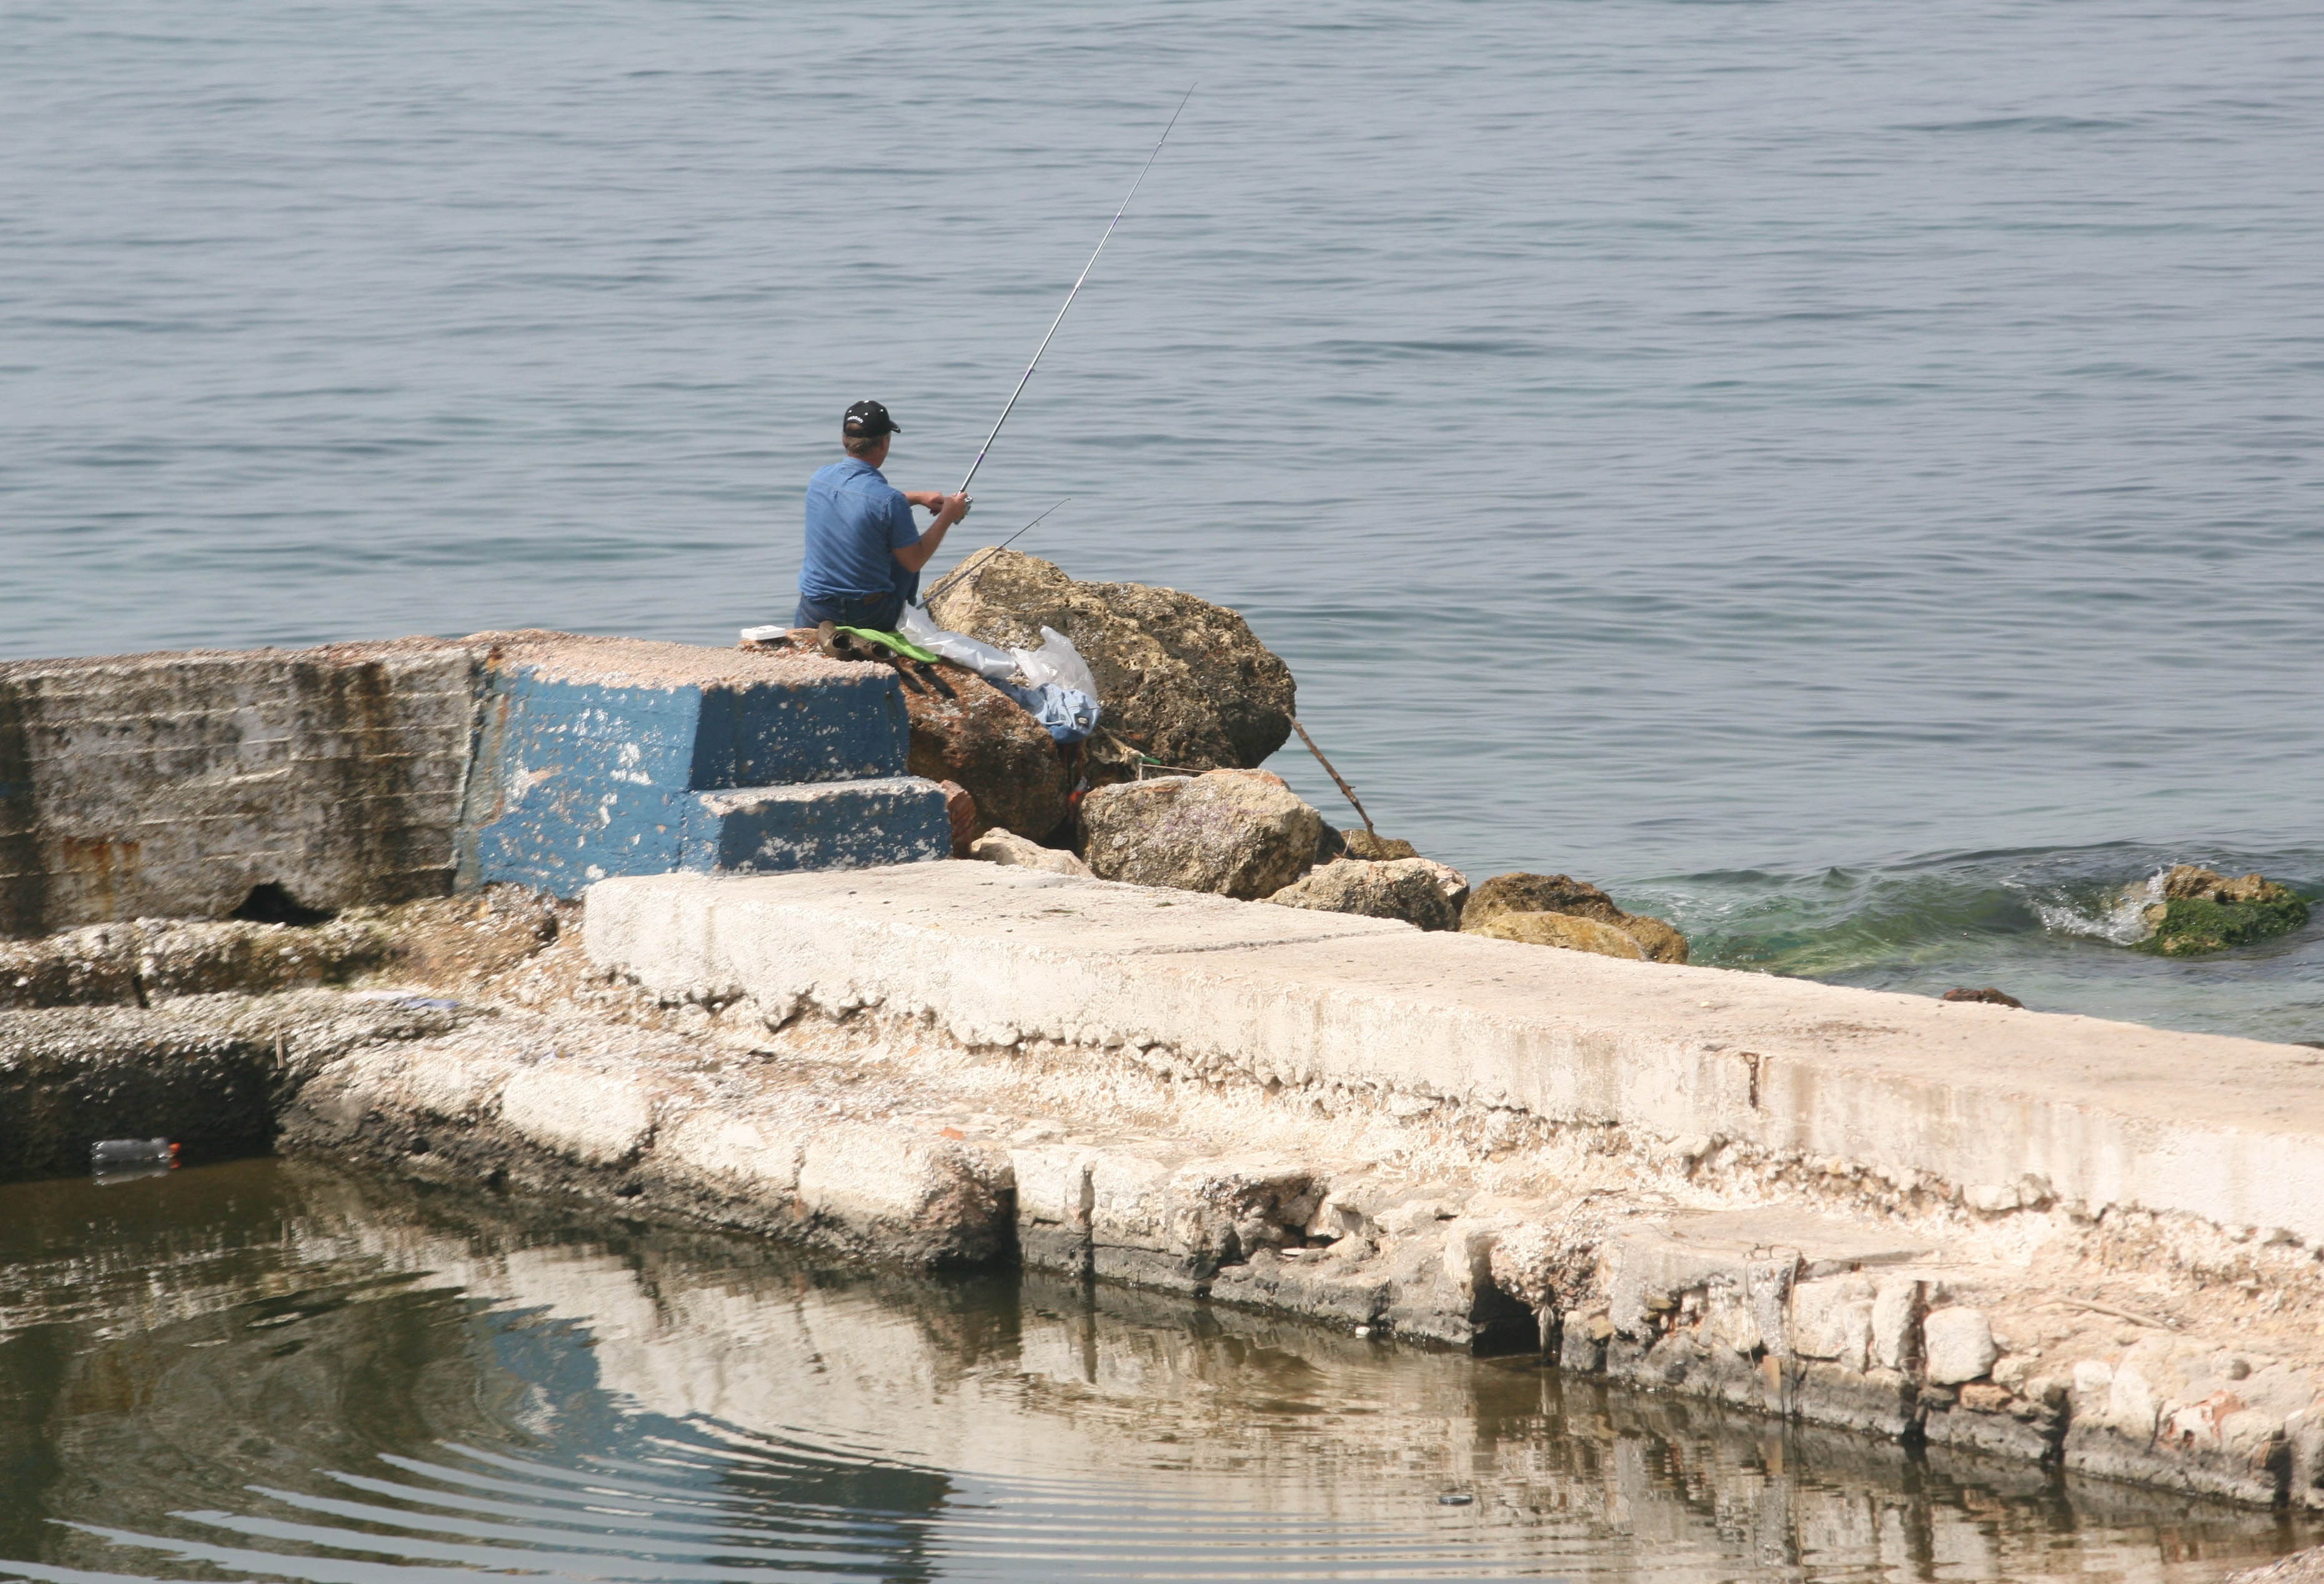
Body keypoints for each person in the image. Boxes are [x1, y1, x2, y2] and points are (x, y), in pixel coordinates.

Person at [795, 400, 970, 631]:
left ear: (844, 439)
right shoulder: (889, 501)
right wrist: (947, 515)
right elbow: (914, 561)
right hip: (869, 616)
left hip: (814, 612)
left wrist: (916, 498)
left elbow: (862, 502)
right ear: (884, 443)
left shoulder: (819, 479)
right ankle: (899, 624)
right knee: (905, 550)